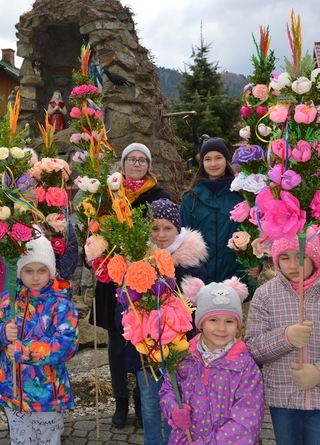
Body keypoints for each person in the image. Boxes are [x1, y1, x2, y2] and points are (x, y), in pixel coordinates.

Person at [116, 198, 208, 445]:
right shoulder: (136, 260)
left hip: (181, 349)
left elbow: (198, 310)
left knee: (179, 402)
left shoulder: (191, 263)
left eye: (168, 228)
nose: (161, 234)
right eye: (154, 228)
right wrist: (132, 325)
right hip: (144, 351)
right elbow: (122, 305)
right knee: (150, 403)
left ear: (178, 229)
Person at [91, 142, 170, 428]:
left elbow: (164, 235)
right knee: (115, 342)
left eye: (142, 160)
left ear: (149, 165)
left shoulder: (158, 196)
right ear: (122, 163)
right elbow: (95, 228)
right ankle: (120, 402)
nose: (137, 164)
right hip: (112, 278)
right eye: (131, 159)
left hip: (143, 279)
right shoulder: (108, 193)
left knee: (142, 341)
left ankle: (141, 399)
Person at [0, 233, 79, 445]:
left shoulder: (60, 305)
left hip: (47, 395)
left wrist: (22, 350)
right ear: (19, 272)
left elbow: (65, 346)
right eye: (29, 271)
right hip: (13, 392)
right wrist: (3, 333)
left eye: (42, 270)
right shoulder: (7, 301)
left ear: (50, 271)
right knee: (20, 441)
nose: (35, 277)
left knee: (48, 440)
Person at [160, 276, 265, 444]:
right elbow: (167, 389)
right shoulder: (184, 357)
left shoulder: (245, 367)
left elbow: (247, 420)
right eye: (213, 320)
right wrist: (173, 409)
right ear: (200, 323)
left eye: (229, 321)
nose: (221, 328)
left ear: (238, 325)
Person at [245, 226, 320, 445]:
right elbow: (254, 347)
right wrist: (286, 338)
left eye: (301, 256)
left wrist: (318, 373)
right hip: (283, 398)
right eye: (285, 257)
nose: (292, 264)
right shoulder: (266, 295)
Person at [180, 137, 244, 285]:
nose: (213, 163)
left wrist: (256, 264)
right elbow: (182, 240)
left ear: (226, 160)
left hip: (236, 278)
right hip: (200, 280)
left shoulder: (241, 196)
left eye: (218, 158)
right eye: (208, 159)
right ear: (202, 163)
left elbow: (254, 234)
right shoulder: (191, 199)